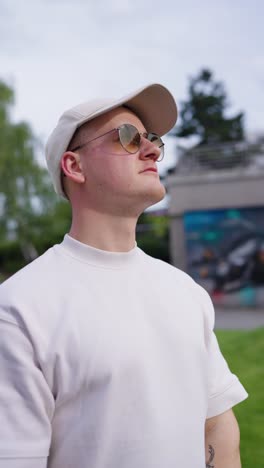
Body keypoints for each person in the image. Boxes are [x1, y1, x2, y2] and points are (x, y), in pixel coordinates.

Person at [0, 83, 248, 468]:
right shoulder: (19, 309)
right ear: (74, 166)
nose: (152, 149)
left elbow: (216, 423)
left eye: (152, 139)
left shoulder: (184, 291)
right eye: (128, 137)